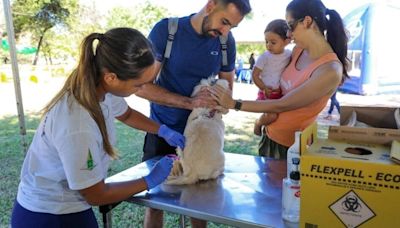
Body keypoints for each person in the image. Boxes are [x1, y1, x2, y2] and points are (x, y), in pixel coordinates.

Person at [10, 27, 185, 227]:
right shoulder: (77, 123)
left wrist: (162, 130)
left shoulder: (101, 89)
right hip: (49, 215)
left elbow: (127, 114)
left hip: (72, 206)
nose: (143, 89)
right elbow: (96, 194)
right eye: (139, 85)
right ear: (111, 77)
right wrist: (148, 180)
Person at [135, 1, 251, 227]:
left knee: (200, 205)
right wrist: (189, 102)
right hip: (163, 130)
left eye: (231, 27)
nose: (225, 32)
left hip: (201, 137)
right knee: (155, 199)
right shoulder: (167, 31)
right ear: (211, 5)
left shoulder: (226, 42)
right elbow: (142, 86)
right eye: (224, 22)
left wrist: (219, 99)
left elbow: (226, 87)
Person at [212, 0, 349, 159]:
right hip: (270, 135)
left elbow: (283, 104)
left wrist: (234, 103)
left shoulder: (329, 70)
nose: (289, 34)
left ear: (307, 22)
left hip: (291, 149)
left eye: (290, 26)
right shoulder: (298, 51)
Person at [252, 19, 291, 136]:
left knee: (280, 117)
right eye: (266, 41)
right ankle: (258, 123)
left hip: (280, 93)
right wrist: (263, 88)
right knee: (272, 115)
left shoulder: (290, 54)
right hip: (266, 93)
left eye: (273, 42)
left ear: (286, 41)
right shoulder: (264, 57)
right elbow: (254, 74)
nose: (268, 45)